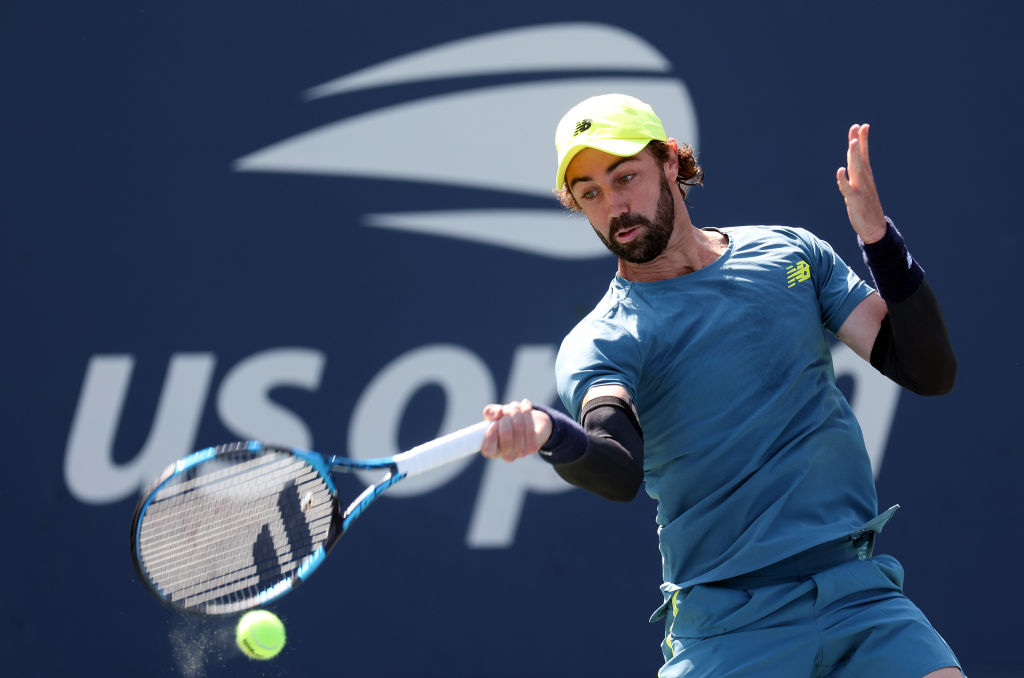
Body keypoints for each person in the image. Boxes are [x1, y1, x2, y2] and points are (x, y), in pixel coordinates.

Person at [479, 94, 962, 678]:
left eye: (625, 176)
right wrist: (549, 432)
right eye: (590, 193)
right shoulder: (602, 340)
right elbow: (615, 467)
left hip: (860, 595)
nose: (615, 206)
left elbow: (928, 372)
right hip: (729, 627)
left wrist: (878, 240)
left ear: (672, 163)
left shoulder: (791, 253)